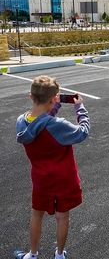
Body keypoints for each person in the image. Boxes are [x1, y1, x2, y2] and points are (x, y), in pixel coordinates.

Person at [14, 75, 90, 259]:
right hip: (64, 179)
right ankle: (59, 254)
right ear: (53, 98)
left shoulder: (21, 122)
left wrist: (52, 107)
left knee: (36, 215)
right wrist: (80, 109)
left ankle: (32, 254)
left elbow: (40, 123)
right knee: (62, 217)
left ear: (30, 96)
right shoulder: (59, 125)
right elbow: (82, 132)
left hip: (41, 179)